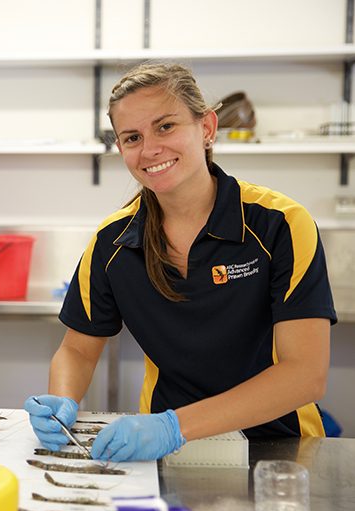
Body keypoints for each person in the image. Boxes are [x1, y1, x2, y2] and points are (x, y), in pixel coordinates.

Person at [25, 62, 336, 462]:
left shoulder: (280, 225)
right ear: (120, 149)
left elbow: (305, 375)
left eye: (165, 126)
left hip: (279, 448)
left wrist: (174, 426)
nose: (150, 148)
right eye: (132, 137)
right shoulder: (114, 242)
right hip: (167, 455)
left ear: (206, 128)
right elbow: (77, 350)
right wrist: (61, 401)